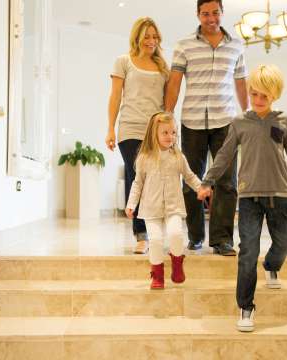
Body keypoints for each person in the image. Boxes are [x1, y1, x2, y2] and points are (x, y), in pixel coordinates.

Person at [197, 65, 287, 332]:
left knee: (284, 243)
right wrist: (207, 181)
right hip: (249, 198)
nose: (258, 100)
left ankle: (272, 266)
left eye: (264, 96)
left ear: (275, 96)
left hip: (280, 195)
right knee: (248, 252)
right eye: (255, 94)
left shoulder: (284, 121)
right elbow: (223, 155)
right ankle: (245, 308)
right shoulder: (239, 123)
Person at [165, 0, 248, 256]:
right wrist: (167, 116)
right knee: (192, 181)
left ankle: (222, 240)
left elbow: (241, 83)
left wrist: (248, 116)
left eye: (215, 13)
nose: (210, 18)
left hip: (226, 121)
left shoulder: (236, 45)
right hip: (192, 121)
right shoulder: (184, 45)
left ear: (222, 13)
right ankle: (196, 236)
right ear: (198, 14)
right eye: (205, 14)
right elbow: (175, 84)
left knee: (227, 182)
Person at [107, 17, 169, 254]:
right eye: (147, 36)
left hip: (155, 132)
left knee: (156, 181)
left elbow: (166, 102)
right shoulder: (124, 61)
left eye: (155, 37)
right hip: (130, 129)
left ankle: (156, 231)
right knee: (137, 178)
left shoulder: (163, 67)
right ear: (137, 37)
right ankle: (141, 235)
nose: (151, 41)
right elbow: (115, 97)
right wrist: (110, 128)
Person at [125, 112, 203, 289]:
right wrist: (131, 204)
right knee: (156, 240)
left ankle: (177, 263)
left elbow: (190, 177)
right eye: (165, 133)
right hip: (151, 209)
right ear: (155, 134)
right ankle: (157, 274)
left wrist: (201, 187)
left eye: (173, 132)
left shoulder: (178, 157)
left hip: (173, 206)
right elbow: (137, 184)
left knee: (176, 234)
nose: (170, 137)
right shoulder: (144, 158)